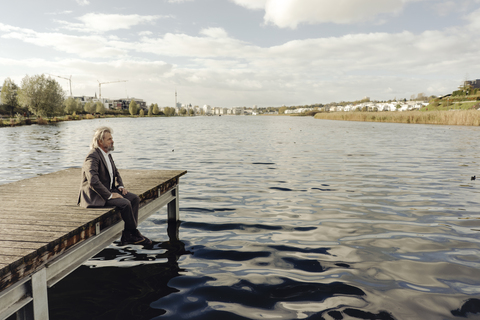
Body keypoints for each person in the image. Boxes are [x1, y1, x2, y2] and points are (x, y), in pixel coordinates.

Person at [78, 126, 152, 246]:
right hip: (95, 196)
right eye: (109, 139)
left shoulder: (107, 154)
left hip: (108, 190)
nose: (112, 141)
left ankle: (128, 235)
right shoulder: (92, 156)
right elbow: (93, 181)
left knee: (134, 199)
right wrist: (110, 195)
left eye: (112, 138)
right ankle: (133, 233)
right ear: (100, 142)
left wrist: (120, 186)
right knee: (125, 203)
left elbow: (115, 173)